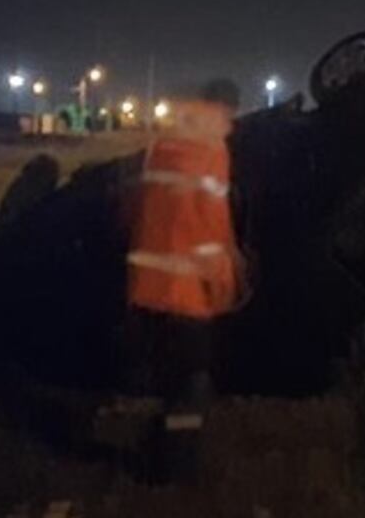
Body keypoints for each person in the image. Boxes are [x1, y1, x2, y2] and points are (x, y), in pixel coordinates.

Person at [123, 79, 246, 482]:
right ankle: (176, 468)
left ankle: (158, 449)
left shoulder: (163, 145)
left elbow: (143, 210)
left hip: (147, 283)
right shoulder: (211, 149)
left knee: (165, 376)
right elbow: (209, 225)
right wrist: (225, 284)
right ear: (226, 110)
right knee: (191, 383)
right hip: (187, 290)